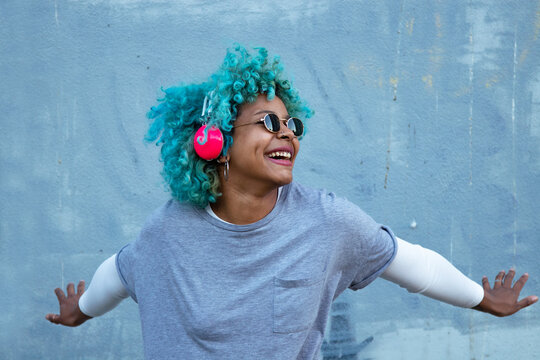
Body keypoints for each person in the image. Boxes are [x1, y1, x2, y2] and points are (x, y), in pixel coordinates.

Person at [46, 44, 537, 359]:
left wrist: (482, 299)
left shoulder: (327, 222)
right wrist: (80, 311)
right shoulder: (166, 233)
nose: (287, 134)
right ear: (213, 143)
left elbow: (406, 262)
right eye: (267, 122)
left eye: (291, 124)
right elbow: (120, 271)